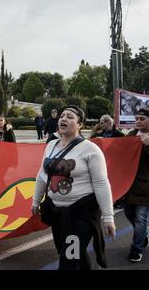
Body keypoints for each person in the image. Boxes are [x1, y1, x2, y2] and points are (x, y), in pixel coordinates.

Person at [32, 105, 116, 270]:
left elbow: (101, 183)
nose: (63, 119)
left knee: (68, 261)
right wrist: (35, 201)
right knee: (76, 254)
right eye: (62, 115)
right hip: (57, 213)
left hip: (81, 215)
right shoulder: (51, 145)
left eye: (70, 117)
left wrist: (108, 217)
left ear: (80, 125)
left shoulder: (91, 149)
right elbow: (42, 175)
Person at [124, 107, 149, 262]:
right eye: (137, 118)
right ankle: (144, 234)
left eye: (142, 119)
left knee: (140, 219)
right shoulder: (131, 135)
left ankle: (136, 248)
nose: (138, 121)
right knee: (129, 214)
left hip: (146, 187)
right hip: (129, 185)